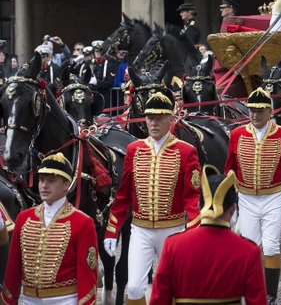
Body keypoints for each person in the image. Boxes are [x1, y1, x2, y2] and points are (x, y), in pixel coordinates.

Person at [103, 91, 201, 305]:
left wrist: (194, 232)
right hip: (141, 229)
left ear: (171, 119)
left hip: (173, 230)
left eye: (159, 118)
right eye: (150, 118)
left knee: (175, 287)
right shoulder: (134, 149)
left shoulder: (186, 151)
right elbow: (123, 195)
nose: (154, 123)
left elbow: (192, 198)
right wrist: (112, 229)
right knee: (134, 287)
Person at [224, 87, 281, 305]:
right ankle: (251, 290)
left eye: (260, 111)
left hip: (273, 198)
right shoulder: (237, 135)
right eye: (252, 110)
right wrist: (228, 206)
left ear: (270, 111)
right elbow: (229, 171)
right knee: (249, 247)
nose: (255, 115)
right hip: (246, 198)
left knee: (271, 245)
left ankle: (271, 295)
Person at [150, 166, 268, 305]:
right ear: (233, 210)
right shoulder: (249, 251)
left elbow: (158, 300)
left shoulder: (172, 245)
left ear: (199, 206)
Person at [2, 153, 98, 305]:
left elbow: (87, 273)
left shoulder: (83, 222)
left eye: (51, 181)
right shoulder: (24, 218)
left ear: (66, 185)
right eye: (41, 180)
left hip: (65, 300)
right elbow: (13, 267)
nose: (44, 186)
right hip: (29, 300)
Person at [89, 40, 116, 109]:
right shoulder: (89, 64)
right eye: (96, 51)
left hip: (103, 97)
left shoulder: (109, 65)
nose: (98, 53)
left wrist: (97, 82)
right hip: (91, 96)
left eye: (100, 51)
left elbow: (110, 83)